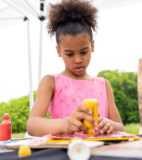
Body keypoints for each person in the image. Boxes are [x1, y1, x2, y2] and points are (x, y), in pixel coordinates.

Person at [27, 0, 124, 137]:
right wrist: (65, 124)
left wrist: (110, 124)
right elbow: (32, 125)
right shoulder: (51, 82)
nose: (78, 60)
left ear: (92, 46)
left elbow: (120, 127)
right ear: (59, 51)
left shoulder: (104, 85)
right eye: (69, 54)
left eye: (84, 52)